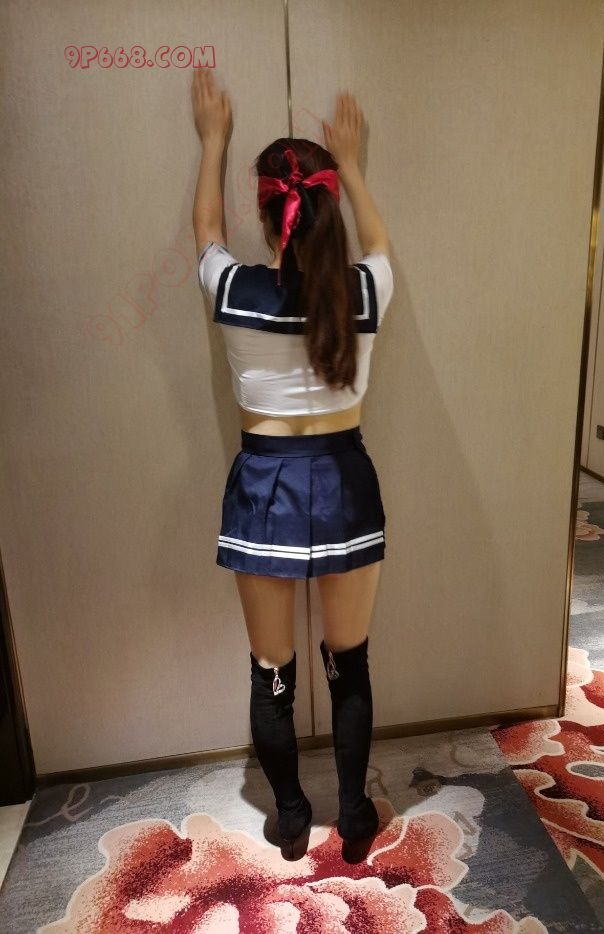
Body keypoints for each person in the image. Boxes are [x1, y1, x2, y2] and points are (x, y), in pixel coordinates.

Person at [191, 70, 394, 860]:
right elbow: (379, 247)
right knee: (349, 664)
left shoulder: (235, 291)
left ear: (265, 211)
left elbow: (205, 231)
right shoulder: (365, 294)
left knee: (271, 669)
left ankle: (289, 817)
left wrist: (212, 140)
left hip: (264, 488)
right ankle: (354, 817)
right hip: (345, 484)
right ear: (327, 205)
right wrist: (356, 164)